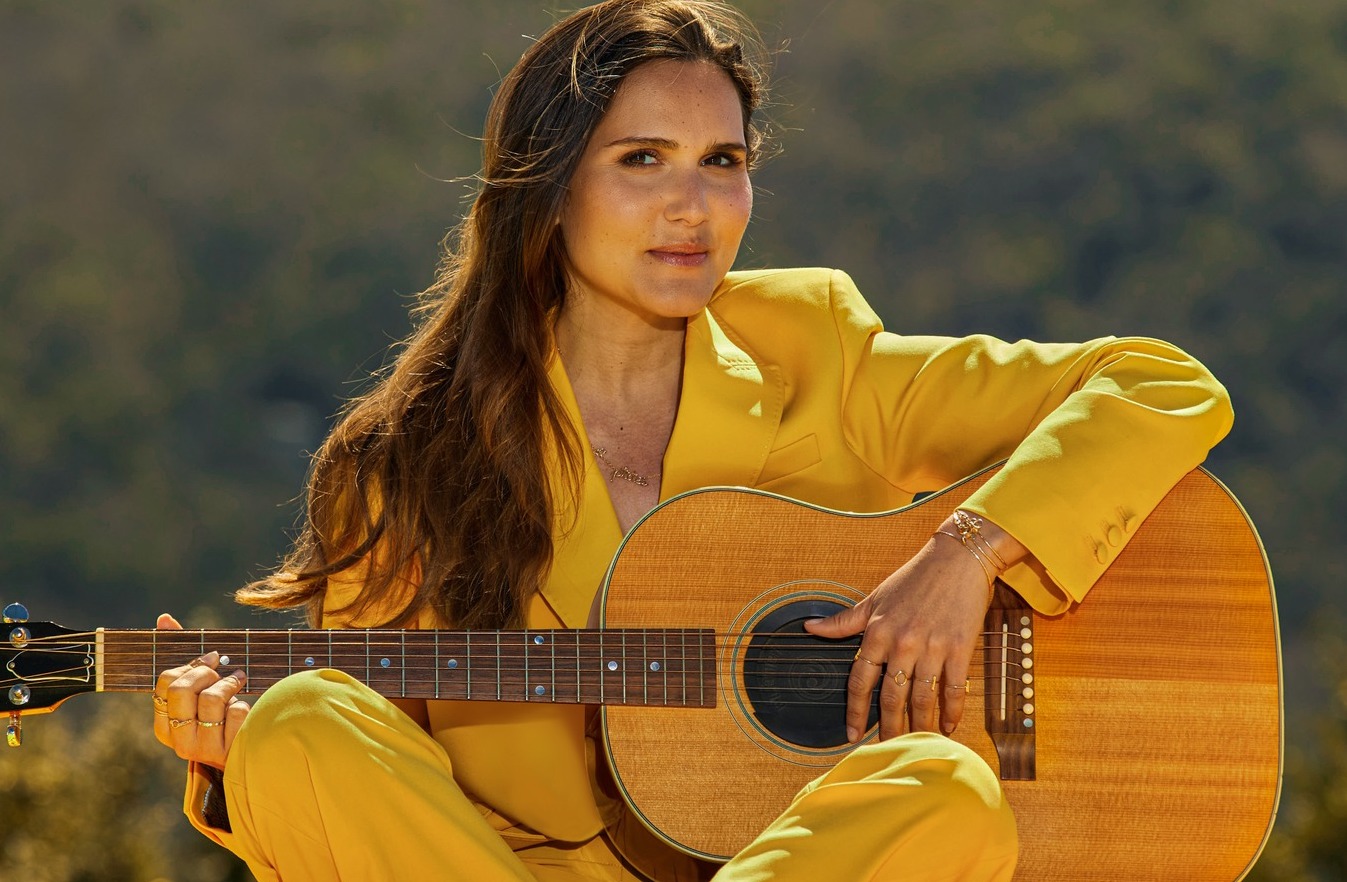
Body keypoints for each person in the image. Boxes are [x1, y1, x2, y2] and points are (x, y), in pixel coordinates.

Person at [151, 1, 1233, 880]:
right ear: (550, 186)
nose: (693, 206)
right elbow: (379, 805)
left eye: (722, 160)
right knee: (304, 718)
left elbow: (1157, 382)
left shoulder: (821, 351)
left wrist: (968, 552)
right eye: (642, 160)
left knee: (942, 792)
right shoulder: (408, 463)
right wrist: (233, 763)